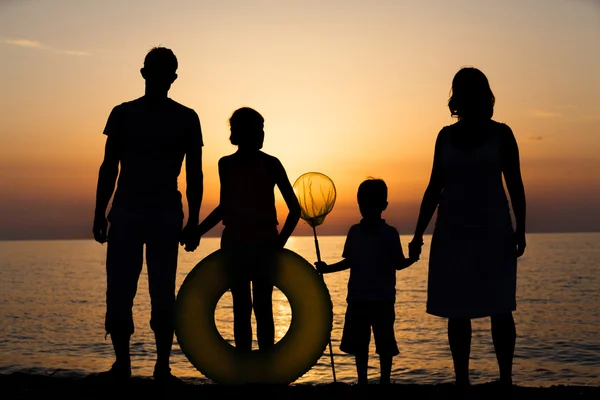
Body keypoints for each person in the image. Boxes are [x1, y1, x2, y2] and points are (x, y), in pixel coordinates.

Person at [408, 67, 527, 389]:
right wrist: (418, 234)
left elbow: (515, 184)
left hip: (494, 231)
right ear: (456, 97)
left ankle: (505, 379)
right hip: (452, 232)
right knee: (456, 308)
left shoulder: (503, 134)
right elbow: (434, 187)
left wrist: (521, 229)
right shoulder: (445, 136)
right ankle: (462, 380)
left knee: (501, 305)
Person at [92, 47, 204, 382]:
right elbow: (109, 167)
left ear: (171, 78)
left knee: (156, 292)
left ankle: (158, 367)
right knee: (126, 290)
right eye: (156, 73)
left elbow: (196, 174)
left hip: (160, 213)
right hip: (130, 211)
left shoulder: (186, 117)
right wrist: (100, 212)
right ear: (146, 75)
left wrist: (194, 220)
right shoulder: (123, 114)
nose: (158, 79)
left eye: (162, 73)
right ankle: (130, 365)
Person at [192, 107, 301, 351]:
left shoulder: (271, 164)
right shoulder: (226, 164)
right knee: (244, 306)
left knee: (260, 306)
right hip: (239, 242)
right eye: (257, 129)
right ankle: (246, 368)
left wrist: (279, 243)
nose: (262, 134)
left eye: (263, 129)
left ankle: (263, 368)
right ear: (241, 133)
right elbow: (225, 207)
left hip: (259, 242)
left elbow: (295, 209)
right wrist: (197, 231)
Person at [315, 178, 418, 385]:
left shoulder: (390, 234)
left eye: (371, 203)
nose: (367, 208)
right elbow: (350, 262)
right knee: (360, 344)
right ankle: (363, 381)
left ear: (383, 206)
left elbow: (397, 264)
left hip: (382, 299)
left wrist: (412, 259)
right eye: (363, 204)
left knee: (384, 343)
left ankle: (384, 381)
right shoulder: (355, 232)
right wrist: (327, 269)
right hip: (359, 298)